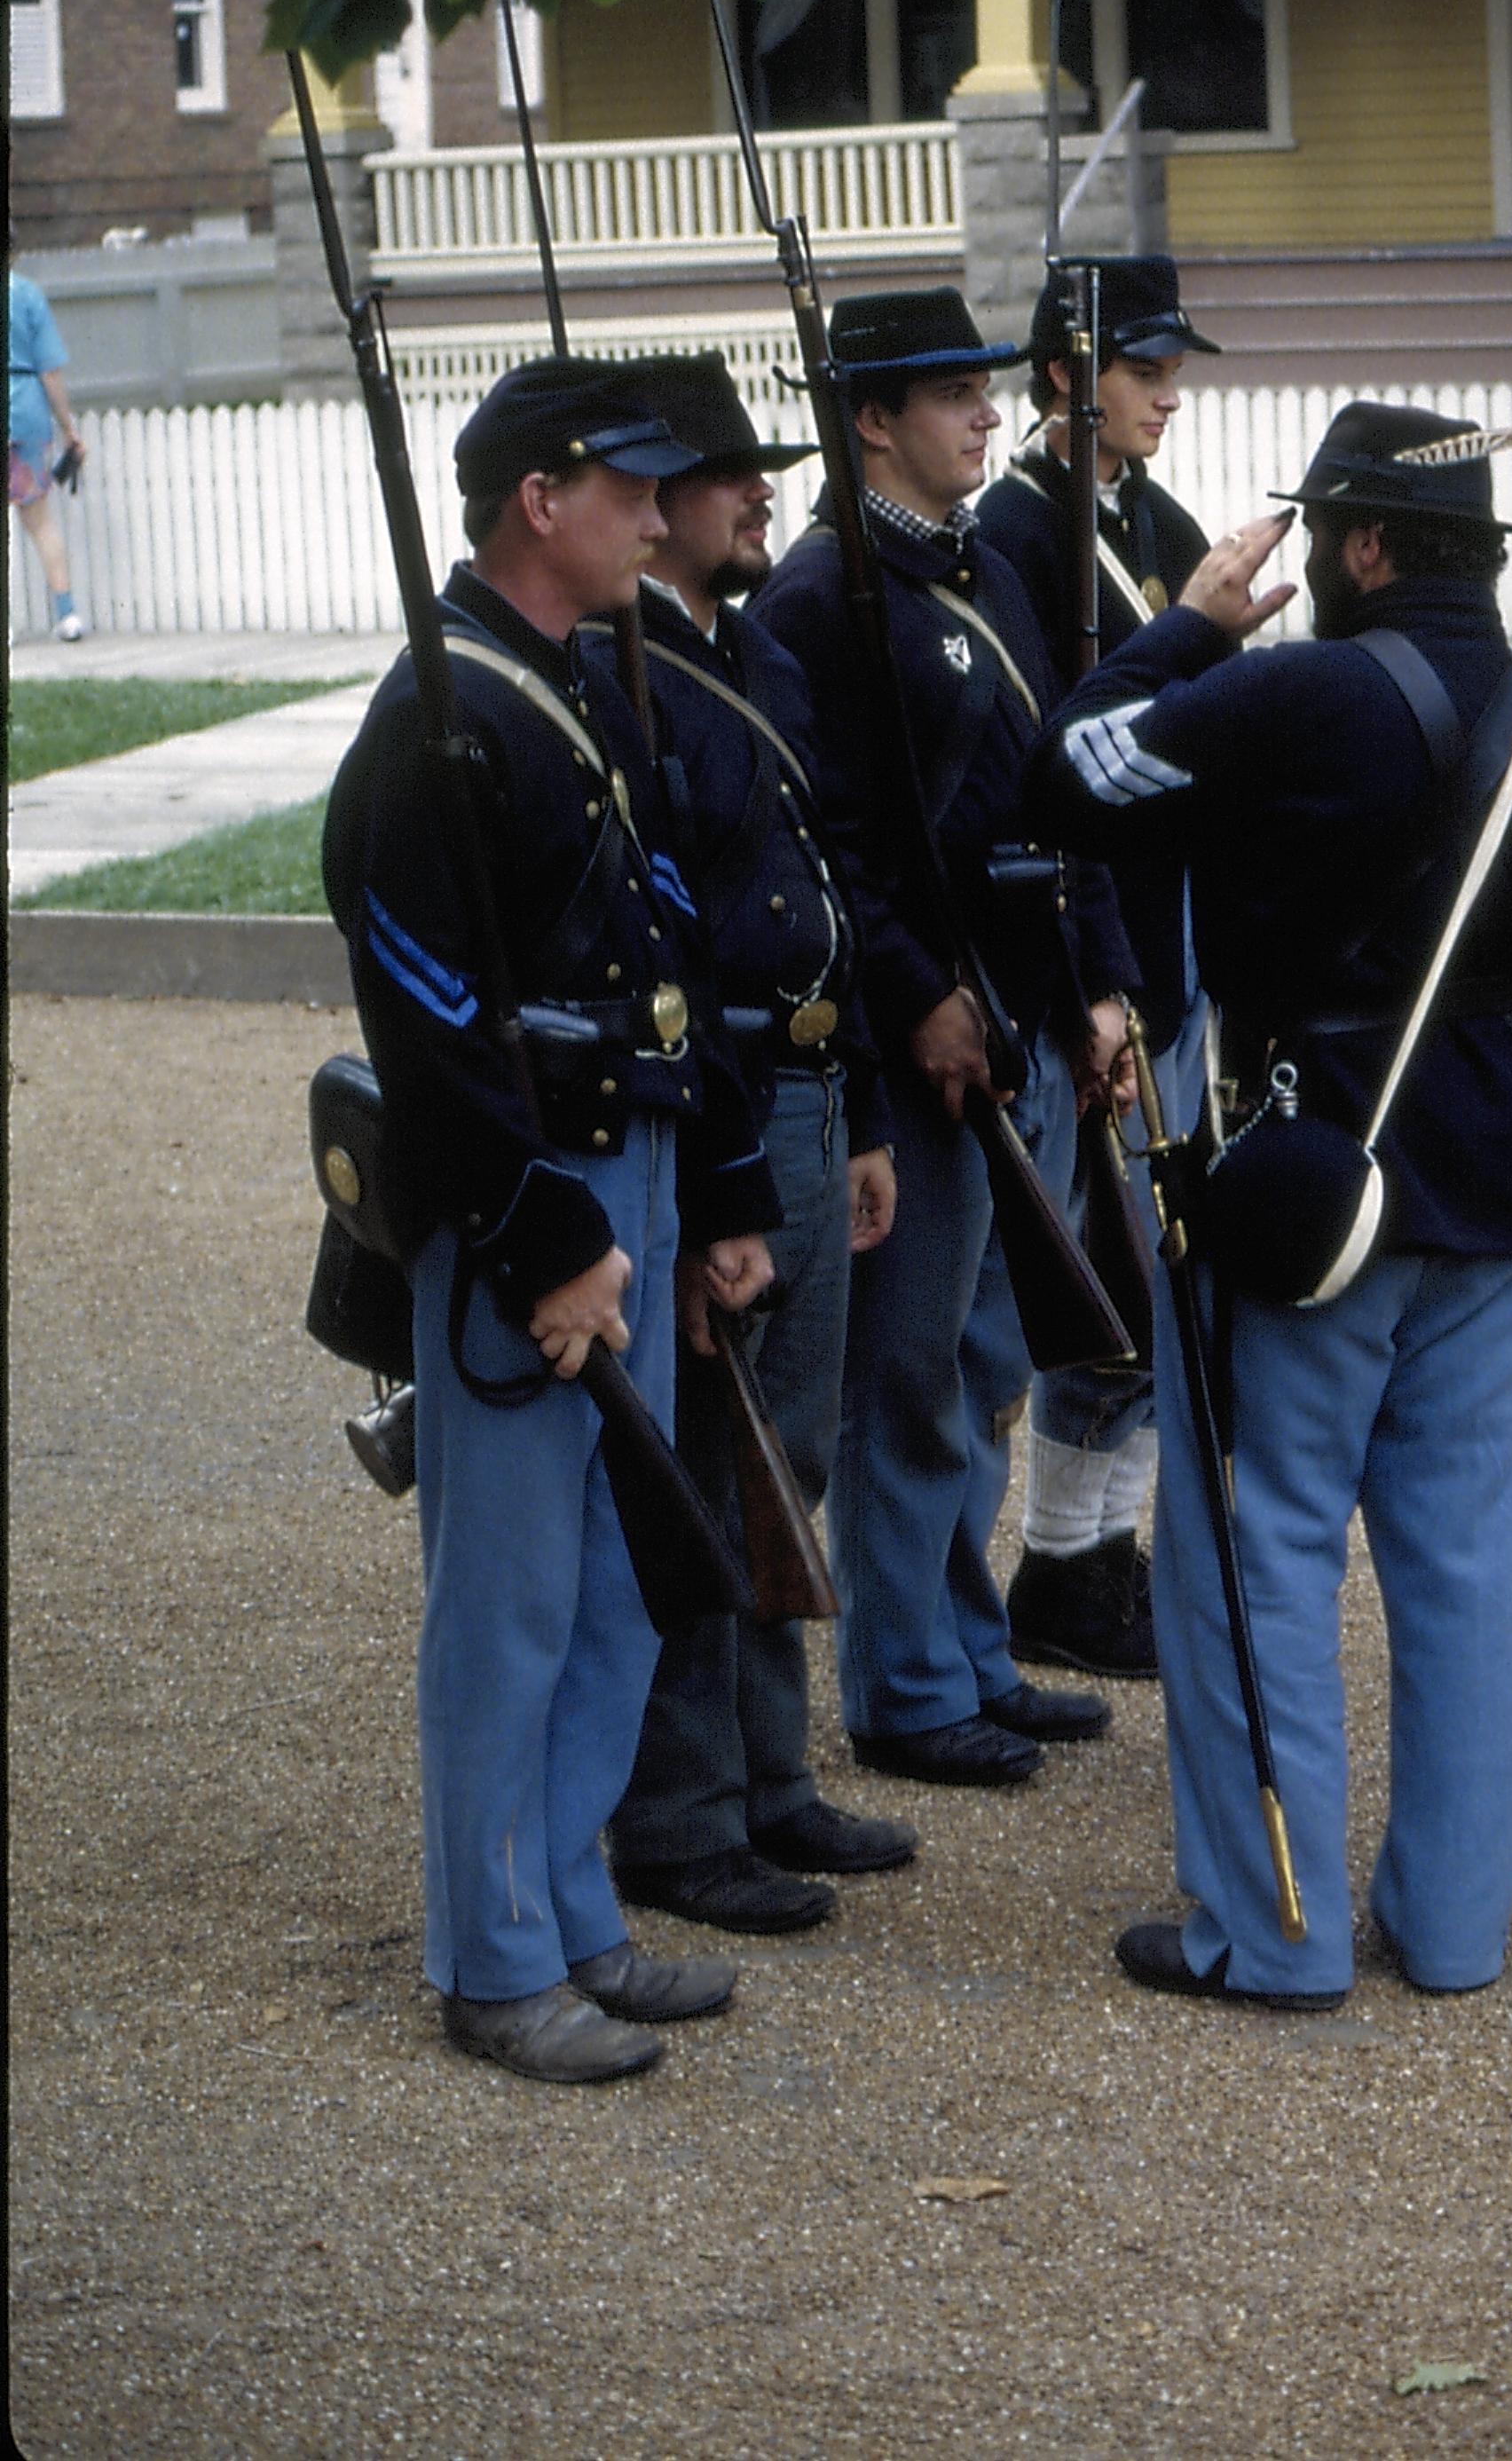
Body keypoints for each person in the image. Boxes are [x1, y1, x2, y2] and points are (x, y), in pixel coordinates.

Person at [1027, 401, 1512, 2007]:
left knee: (1256, 1551)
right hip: (1502, 1199)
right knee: (1466, 1574)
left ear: (1367, 546)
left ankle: (1273, 1934)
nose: (1300, 563)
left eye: (1317, 537)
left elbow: (1071, 771)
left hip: (1307, 1190)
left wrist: (1182, 624)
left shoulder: (1289, 693)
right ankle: (1451, 1930)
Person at [322, 357, 782, 2084]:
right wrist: (543, 1235)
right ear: (544, 499)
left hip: (633, 1179)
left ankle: (576, 1904)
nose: (661, 519)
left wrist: (717, 1189)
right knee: (507, 1604)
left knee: (615, 1585)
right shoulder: (445, 721)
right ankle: (494, 1952)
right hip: (534, 1209)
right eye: (631, 491)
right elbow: (429, 1023)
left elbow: (670, 957)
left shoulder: (578, 686)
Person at [752, 288, 1138, 1787]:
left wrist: (1101, 982)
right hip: (925, 1045)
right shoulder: (818, 599)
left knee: (984, 1367)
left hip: (1024, 1019)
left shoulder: (982, 569)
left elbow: (1066, 793)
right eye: (948, 394)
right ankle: (906, 1684)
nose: (988, 413)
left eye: (986, 390)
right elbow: (830, 843)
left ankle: (973, 1650)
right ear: (871, 421)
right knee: (908, 1375)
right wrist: (916, 994)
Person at [580, 353, 918, 1932]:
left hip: (800, 1095)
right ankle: (684, 1815)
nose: (755, 495)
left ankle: (773, 1778)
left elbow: (819, 895)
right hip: (715, 1108)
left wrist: (846, 1103)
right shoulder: (613, 675)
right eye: (722, 479)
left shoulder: (747, 656)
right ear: (649, 517)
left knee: (793, 1461)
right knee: (711, 1470)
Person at [976, 254, 1222, 1679]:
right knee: (1085, 1277)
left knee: (1152, 1275)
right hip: (1085, 959)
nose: (1168, 396)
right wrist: (1085, 984)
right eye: (1143, 371)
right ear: (1066, 376)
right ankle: (1061, 1563)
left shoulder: (1159, 526)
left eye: (1174, 370)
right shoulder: (1015, 535)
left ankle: (1096, 1557)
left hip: (1170, 946)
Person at [10, 263, 89, 641]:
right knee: (40, 520)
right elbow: (50, 371)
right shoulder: (27, 294)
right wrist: (68, 428)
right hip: (26, 411)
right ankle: (67, 613)